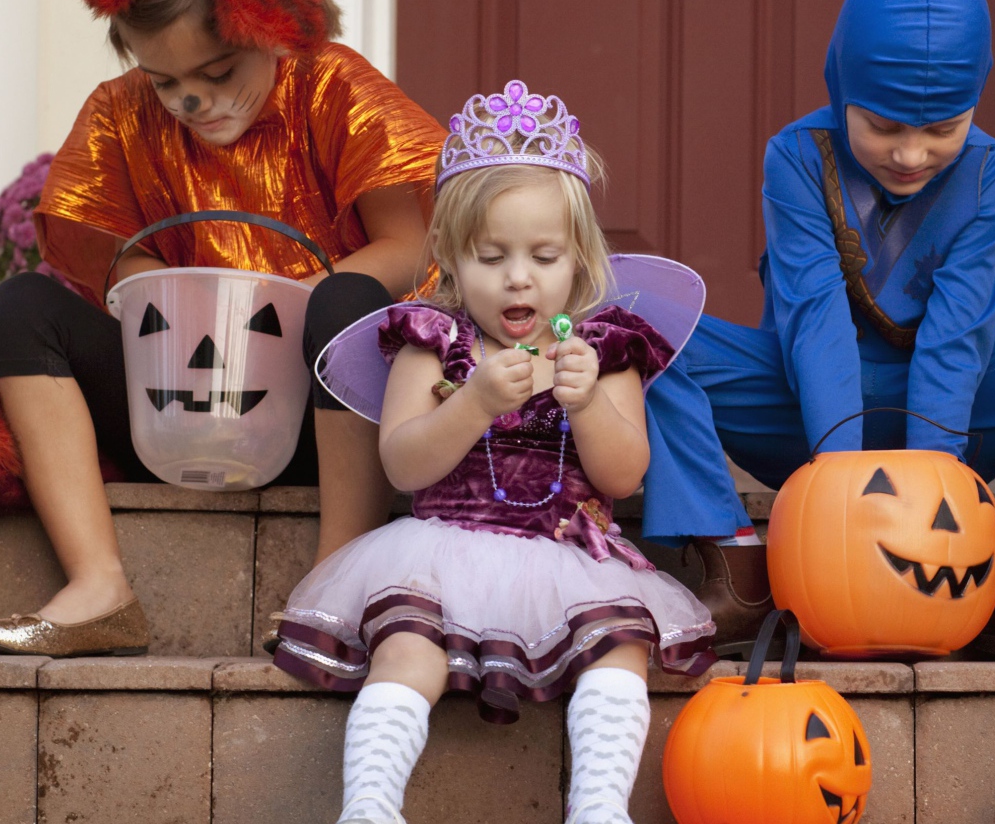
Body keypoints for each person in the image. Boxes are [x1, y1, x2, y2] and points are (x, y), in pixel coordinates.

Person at [642, 0, 995, 659]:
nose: (912, 155)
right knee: (640, 322)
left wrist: (929, 498)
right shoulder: (797, 158)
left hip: (955, 420)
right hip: (800, 416)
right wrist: (842, 499)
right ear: (842, 88)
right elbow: (815, 319)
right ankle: (737, 570)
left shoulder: (991, 173)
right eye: (885, 127)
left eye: (942, 129)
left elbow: (959, 338)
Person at [0, 0, 444, 658]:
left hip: (323, 418)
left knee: (346, 301)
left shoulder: (332, 87)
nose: (193, 99)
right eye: (165, 81)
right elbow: (122, 265)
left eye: (219, 71)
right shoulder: (122, 113)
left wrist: (285, 307)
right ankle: (98, 587)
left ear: (276, 29)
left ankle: (337, 579)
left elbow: (410, 245)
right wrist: (176, 301)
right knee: (20, 307)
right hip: (183, 407)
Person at [272, 82, 715, 824]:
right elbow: (403, 465)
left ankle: (599, 808)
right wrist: (473, 402)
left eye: (544, 256)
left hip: (567, 557)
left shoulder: (604, 351)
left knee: (619, 649)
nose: (518, 276)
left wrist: (588, 403)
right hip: (439, 550)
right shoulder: (434, 343)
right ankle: (369, 806)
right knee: (405, 648)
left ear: (579, 261)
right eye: (491, 256)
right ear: (450, 258)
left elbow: (624, 474)